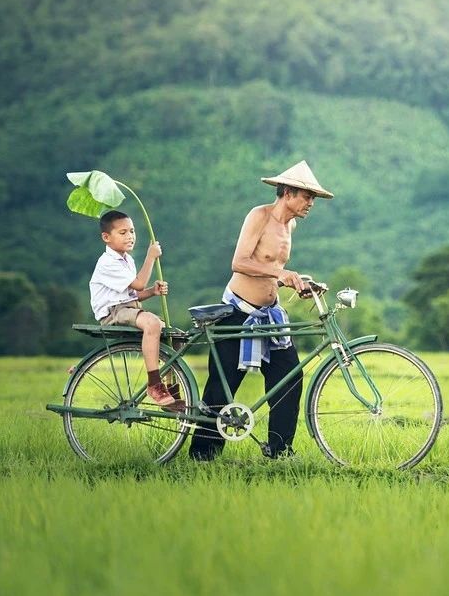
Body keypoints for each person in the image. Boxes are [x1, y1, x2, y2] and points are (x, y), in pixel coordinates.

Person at [189, 160, 334, 460]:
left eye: (313, 199)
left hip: (270, 313)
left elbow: (274, 269)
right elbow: (239, 262)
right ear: (290, 192)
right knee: (222, 386)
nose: (311, 203)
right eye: (308, 197)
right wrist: (280, 274)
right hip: (238, 311)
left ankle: (280, 451)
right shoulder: (260, 216)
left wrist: (298, 282)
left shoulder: (289, 225)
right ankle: (202, 455)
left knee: (289, 377)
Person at [89, 209, 181, 408]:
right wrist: (151, 257)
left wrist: (152, 291)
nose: (130, 236)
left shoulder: (126, 260)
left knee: (176, 338)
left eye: (132, 231)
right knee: (153, 322)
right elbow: (138, 284)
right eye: (123, 233)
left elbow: (135, 294)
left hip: (128, 308)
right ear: (106, 237)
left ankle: (173, 388)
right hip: (113, 312)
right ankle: (154, 383)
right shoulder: (107, 262)